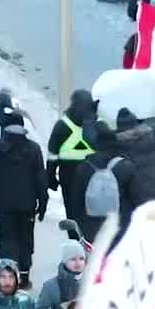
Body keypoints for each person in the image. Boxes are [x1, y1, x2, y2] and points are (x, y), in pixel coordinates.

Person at [0, 109, 48, 287]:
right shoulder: (33, 149)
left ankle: (8, 276)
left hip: (2, 205)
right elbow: (41, 179)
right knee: (26, 240)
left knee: (6, 240)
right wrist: (43, 204)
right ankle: (24, 276)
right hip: (27, 205)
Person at [45, 89, 98, 224]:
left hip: (68, 175)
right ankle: (89, 239)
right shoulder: (94, 124)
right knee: (90, 212)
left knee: (72, 211)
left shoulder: (62, 125)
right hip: (92, 174)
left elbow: (52, 155)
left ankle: (75, 240)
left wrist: (50, 177)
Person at [34, 238, 86, 309]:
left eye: (81, 259)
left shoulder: (92, 282)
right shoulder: (50, 286)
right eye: (73, 259)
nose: (78, 263)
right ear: (64, 261)